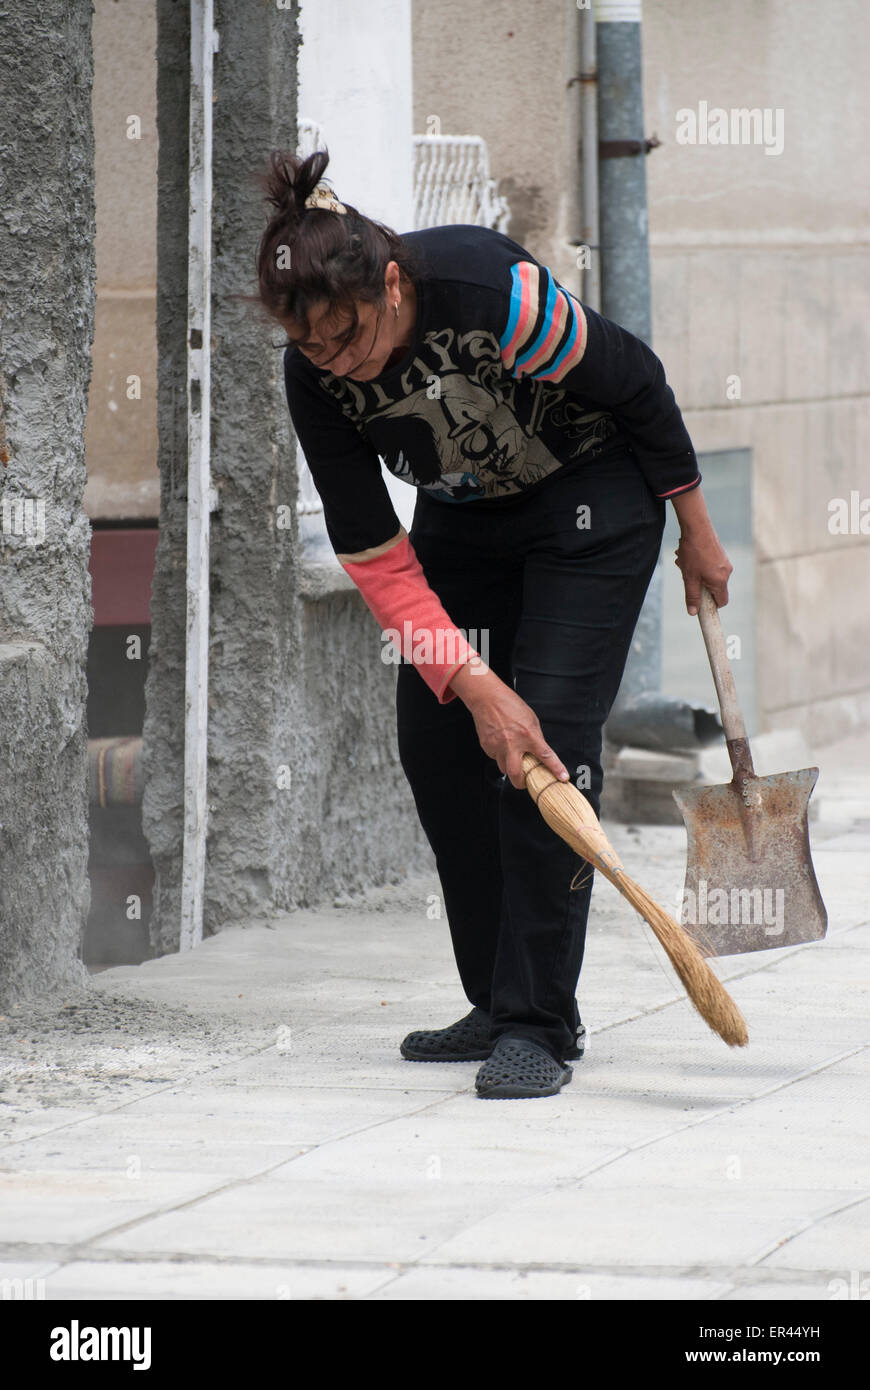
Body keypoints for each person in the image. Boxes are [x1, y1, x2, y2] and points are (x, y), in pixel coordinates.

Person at [256, 149, 732, 1099]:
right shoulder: (315, 381)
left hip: (590, 501)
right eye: (315, 348)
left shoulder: (490, 291)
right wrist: (471, 687)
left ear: (391, 285)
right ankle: (495, 997)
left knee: (542, 746)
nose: (340, 362)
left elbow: (636, 382)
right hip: (465, 518)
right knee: (440, 743)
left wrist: (699, 533)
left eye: (350, 336)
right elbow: (375, 555)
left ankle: (539, 1022)